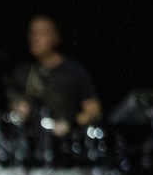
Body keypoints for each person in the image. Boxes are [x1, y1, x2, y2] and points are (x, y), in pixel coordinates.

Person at [6, 15, 103, 161]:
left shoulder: (74, 72)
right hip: (32, 149)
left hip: (68, 148)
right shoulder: (23, 72)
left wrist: (70, 124)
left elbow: (94, 110)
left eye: (41, 33)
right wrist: (18, 109)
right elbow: (12, 108)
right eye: (32, 33)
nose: (34, 38)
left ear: (55, 37)